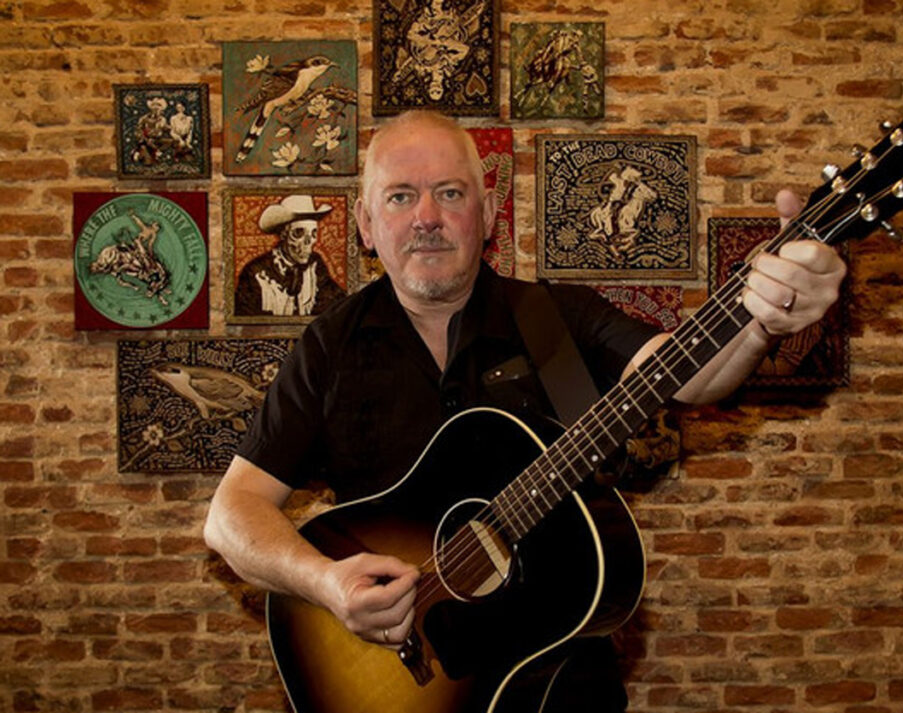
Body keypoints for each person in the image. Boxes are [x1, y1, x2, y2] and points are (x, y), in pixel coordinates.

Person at [204, 111, 846, 710]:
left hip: (558, 682)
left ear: (487, 216)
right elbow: (231, 516)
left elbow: (686, 372)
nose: (427, 216)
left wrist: (761, 319)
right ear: (368, 226)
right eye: (401, 196)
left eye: (451, 193)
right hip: (392, 677)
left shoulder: (552, 318)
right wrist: (325, 583)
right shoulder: (329, 346)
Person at [233, 194, 345, 317]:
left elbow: (337, 307)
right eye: (299, 233)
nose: (308, 242)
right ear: (283, 235)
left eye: (313, 233)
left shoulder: (316, 265)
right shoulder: (256, 273)